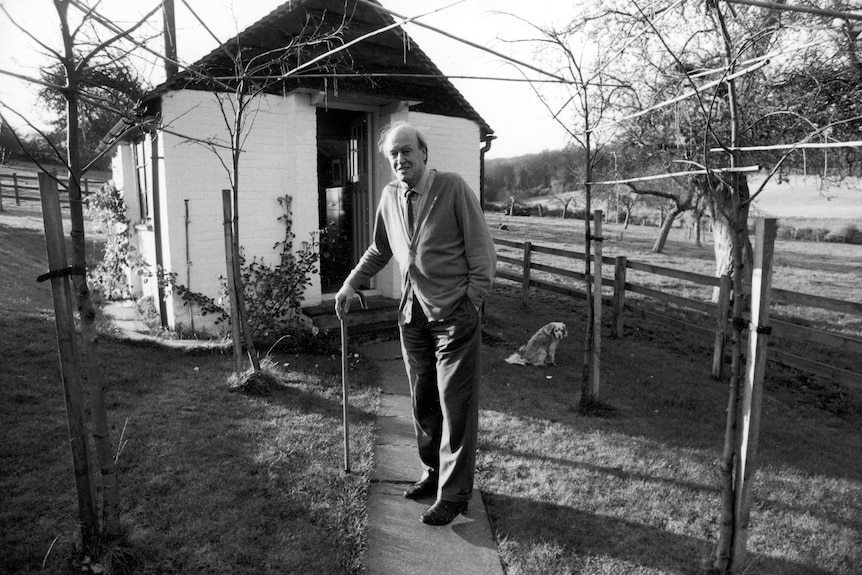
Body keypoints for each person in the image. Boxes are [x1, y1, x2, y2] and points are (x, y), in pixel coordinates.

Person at [334, 121, 496, 526]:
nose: (401, 159)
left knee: (456, 407)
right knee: (423, 401)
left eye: (407, 150)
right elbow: (380, 248)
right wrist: (350, 283)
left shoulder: (454, 188)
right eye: (394, 154)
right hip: (412, 314)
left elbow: (482, 252)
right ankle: (432, 472)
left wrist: (472, 301)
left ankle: (455, 495)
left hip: (454, 315)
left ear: (424, 153)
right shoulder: (389, 196)